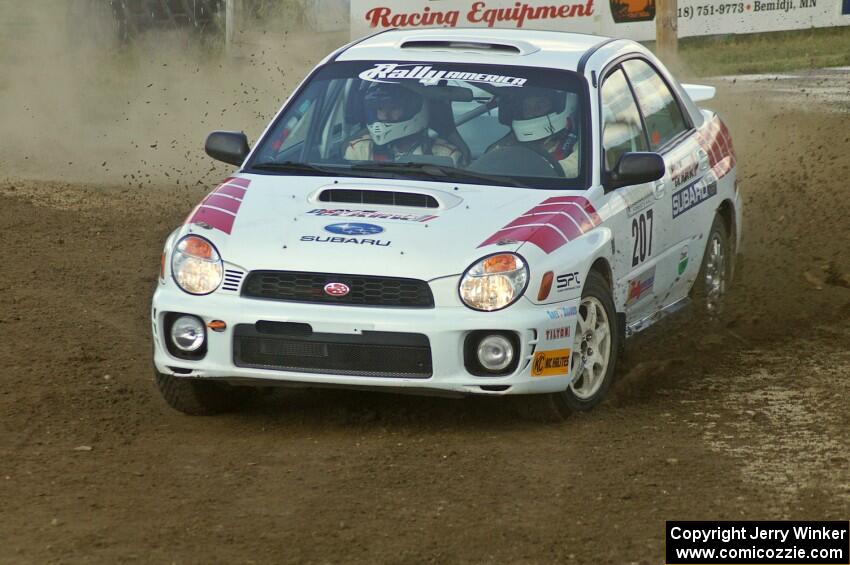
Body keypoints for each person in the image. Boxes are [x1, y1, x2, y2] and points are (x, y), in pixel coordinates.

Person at [344, 83, 463, 166]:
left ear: (415, 110)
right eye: (380, 109)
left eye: (393, 108)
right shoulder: (360, 150)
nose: (385, 115)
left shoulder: (445, 156)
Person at [487, 88, 579, 177]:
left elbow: (574, 166)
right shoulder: (510, 141)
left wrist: (542, 169)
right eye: (527, 107)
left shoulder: (578, 139)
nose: (532, 112)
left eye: (540, 106)